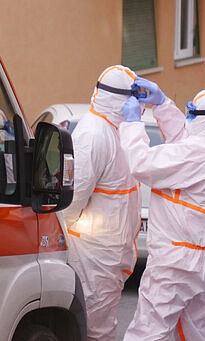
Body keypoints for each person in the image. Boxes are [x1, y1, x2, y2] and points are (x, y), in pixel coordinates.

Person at [119, 79, 205, 340]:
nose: (189, 117)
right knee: (196, 331)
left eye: (193, 113)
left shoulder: (199, 153)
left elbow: (142, 164)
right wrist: (163, 105)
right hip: (204, 260)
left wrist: (132, 124)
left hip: (176, 263)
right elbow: (186, 142)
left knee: (149, 331)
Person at [61, 65, 142, 340]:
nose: (138, 105)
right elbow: (72, 201)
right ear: (119, 99)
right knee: (95, 329)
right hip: (93, 255)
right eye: (133, 98)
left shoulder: (115, 129)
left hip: (108, 254)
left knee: (102, 325)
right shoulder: (93, 135)